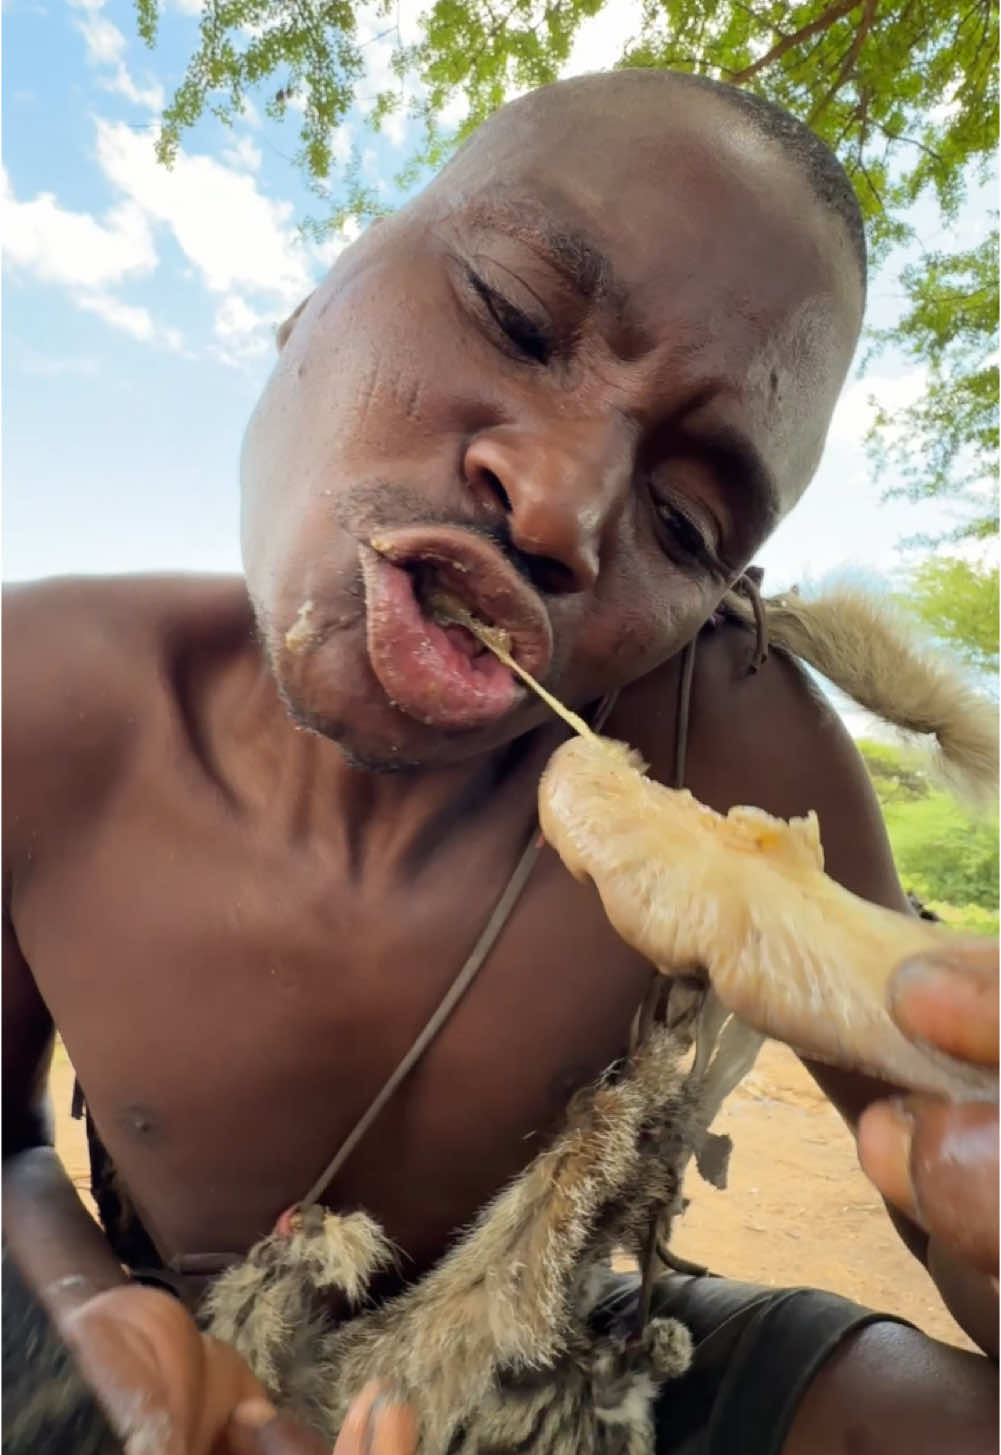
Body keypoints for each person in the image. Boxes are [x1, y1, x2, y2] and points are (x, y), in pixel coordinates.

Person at [3, 68, 996, 1455]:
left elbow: (946, 1163)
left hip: (548, 1344)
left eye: (685, 518)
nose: (558, 507)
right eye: (522, 318)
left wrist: (977, 1215)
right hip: (153, 1348)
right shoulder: (39, 702)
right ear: (316, 296)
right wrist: (82, 1305)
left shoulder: (734, 749)